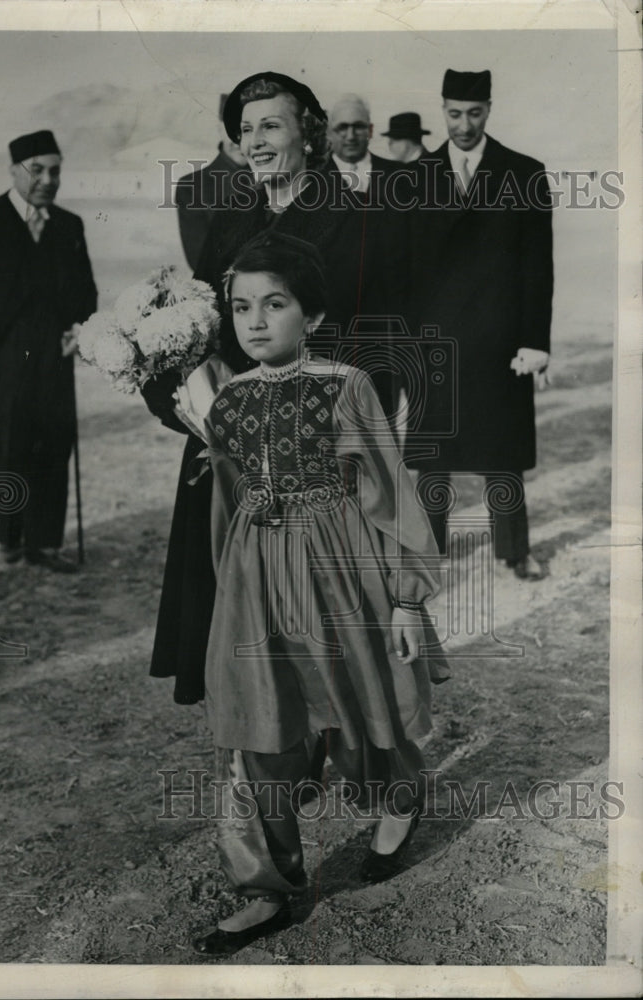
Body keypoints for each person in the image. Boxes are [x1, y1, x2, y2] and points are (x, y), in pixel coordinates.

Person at [191, 232, 448, 956]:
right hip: (256, 575)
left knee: (360, 696)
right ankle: (267, 884)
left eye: (275, 304)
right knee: (258, 720)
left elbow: (391, 495)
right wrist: (235, 584)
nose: (256, 321)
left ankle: (397, 790)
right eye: (241, 307)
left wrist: (404, 599)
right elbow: (228, 499)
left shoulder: (345, 385)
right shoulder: (228, 401)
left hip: (341, 565)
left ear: (315, 313)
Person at [144, 71, 410, 705]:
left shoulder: (355, 219)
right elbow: (205, 320)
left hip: (309, 449)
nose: (255, 142)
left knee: (311, 606)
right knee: (231, 601)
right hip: (225, 440)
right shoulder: (235, 215)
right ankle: (254, 753)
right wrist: (174, 386)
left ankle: (320, 736)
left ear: (309, 134)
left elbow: (378, 344)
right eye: (245, 130)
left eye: (270, 125)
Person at [407, 70, 553, 580]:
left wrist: (535, 342)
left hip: (499, 342)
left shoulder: (525, 173)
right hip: (437, 341)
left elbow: (538, 267)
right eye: (453, 113)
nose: (463, 124)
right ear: (441, 110)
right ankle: (426, 555)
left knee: (502, 451)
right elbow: (405, 271)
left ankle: (515, 552)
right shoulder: (415, 178)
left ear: (488, 110)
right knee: (433, 458)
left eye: (473, 113)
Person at [0, 130, 98, 572]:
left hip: (53, 357)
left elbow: (85, 293)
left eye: (56, 171)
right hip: (1, 359)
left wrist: (80, 329)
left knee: (54, 443)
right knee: (9, 448)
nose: (49, 180)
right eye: (39, 170)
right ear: (15, 170)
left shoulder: (69, 226)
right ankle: (11, 539)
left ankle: (46, 544)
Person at [175, 93, 250, 271]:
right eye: (232, 128)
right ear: (219, 128)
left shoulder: (279, 180)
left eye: (246, 129)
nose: (239, 138)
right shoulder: (193, 187)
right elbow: (202, 262)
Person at [325, 93, 397, 199]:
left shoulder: (397, 174)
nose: (351, 136)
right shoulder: (310, 177)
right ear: (330, 133)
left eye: (358, 126)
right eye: (343, 127)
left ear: (370, 130)